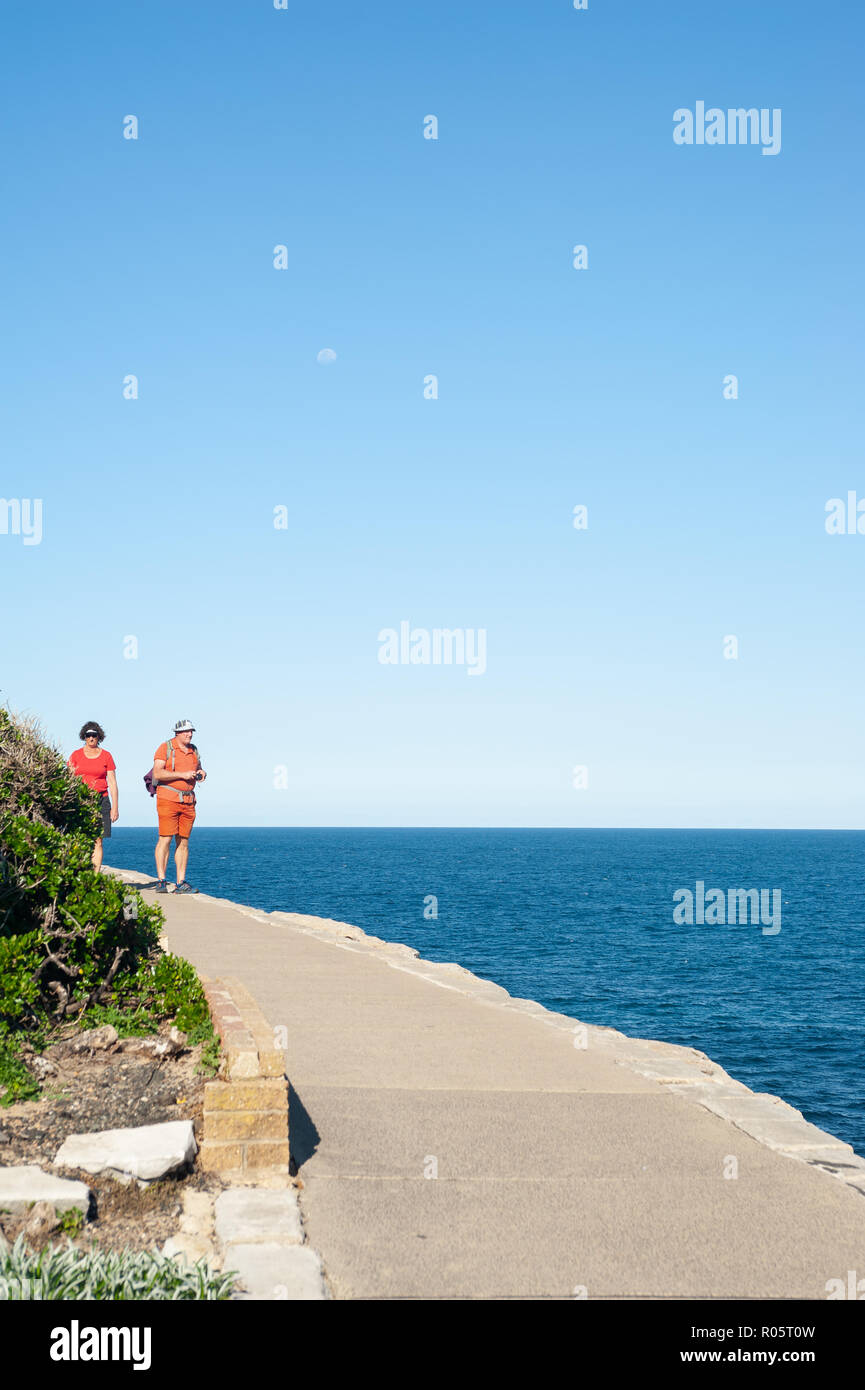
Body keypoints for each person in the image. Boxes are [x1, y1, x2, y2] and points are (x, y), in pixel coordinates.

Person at [152, 719, 206, 893]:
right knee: (165, 838)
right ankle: (161, 880)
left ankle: (180, 882)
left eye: (191, 731)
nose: (189, 734)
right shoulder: (165, 748)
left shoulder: (194, 750)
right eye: (186, 732)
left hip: (188, 801)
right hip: (168, 798)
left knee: (183, 841)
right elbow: (157, 773)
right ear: (177, 733)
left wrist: (202, 772)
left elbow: (198, 767)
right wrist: (183, 775)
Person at [68, 722, 119, 870]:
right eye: (88, 735)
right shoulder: (75, 755)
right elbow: (69, 779)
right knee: (80, 837)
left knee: (98, 840)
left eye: (94, 735)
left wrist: (115, 807)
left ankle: (94, 877)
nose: (91, 738)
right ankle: (81, 871)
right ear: (84, 737)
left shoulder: (106, 756)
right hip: (81, 800)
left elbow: (113, 782)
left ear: (99, 737)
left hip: (101, 799)